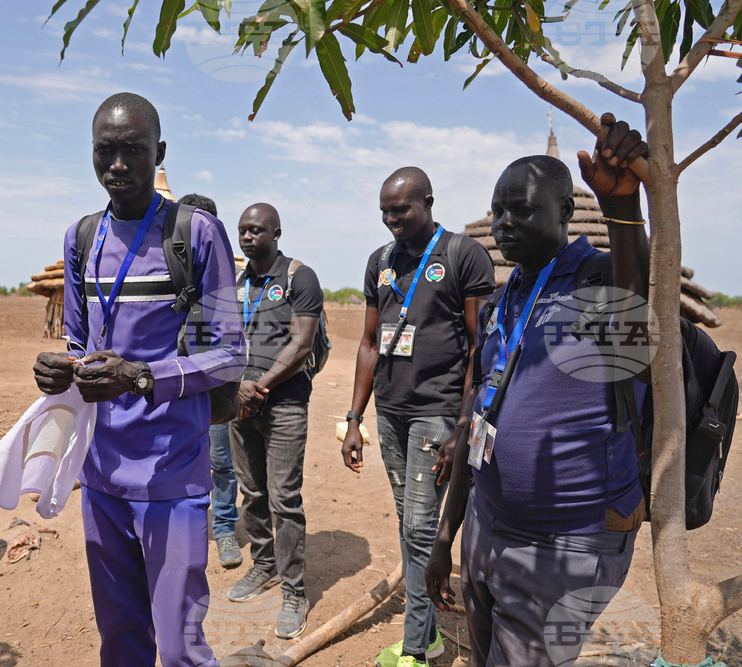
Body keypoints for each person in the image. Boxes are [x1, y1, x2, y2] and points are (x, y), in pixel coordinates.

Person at [424, 114, 650, 667]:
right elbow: (476, 420)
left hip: (564, 544)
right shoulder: (505, 300)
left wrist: (622, 207)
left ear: (566, 212)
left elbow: (634, 299)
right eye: (497, 210)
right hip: (485, 524)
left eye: (521, 209)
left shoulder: (598, 280)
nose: (502, 223)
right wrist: (445, 537)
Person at [33, 93, 245, 667]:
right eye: (106, 150)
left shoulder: (194, 234)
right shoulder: (82, 238)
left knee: (178, 645)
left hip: (172, 472)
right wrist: (58, 369)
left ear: (161, 153)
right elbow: (79, 343)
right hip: (100, 473)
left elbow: (230, 354)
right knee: (121, 639)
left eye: (134, 150)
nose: (118, 164)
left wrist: (143, 376)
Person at [342, 167, 495, 667]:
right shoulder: (380, 262)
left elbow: (479, 348)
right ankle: (428, 633)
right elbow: (368, 343)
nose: (391, 219)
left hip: (438, 411)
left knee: (421, 527)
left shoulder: (461, 255)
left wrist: (461, 425)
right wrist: (353, 417)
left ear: (428, 202)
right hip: (390, 413)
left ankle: (414, 650)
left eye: (401, 209)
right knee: (411, 522)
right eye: (385, 211)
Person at [228, 203, 324, 639]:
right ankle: (263, 565)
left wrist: (258, 385)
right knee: (252, 492)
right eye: (243, 231)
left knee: (284, 498)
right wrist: (235, 389)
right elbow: (223, 341)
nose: (248, 237)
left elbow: (302, 344)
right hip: (238, 405)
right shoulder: (235, 283)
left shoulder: (298, 277)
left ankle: (294, 590)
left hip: (283, 405)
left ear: (276, 232)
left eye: (256, 230)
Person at [178, 192, 243, 569]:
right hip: (169, 386)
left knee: (220, 463)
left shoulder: (227, 279)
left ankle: (223, 529)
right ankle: (185, 530)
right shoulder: (166, 271)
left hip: (214, 387)